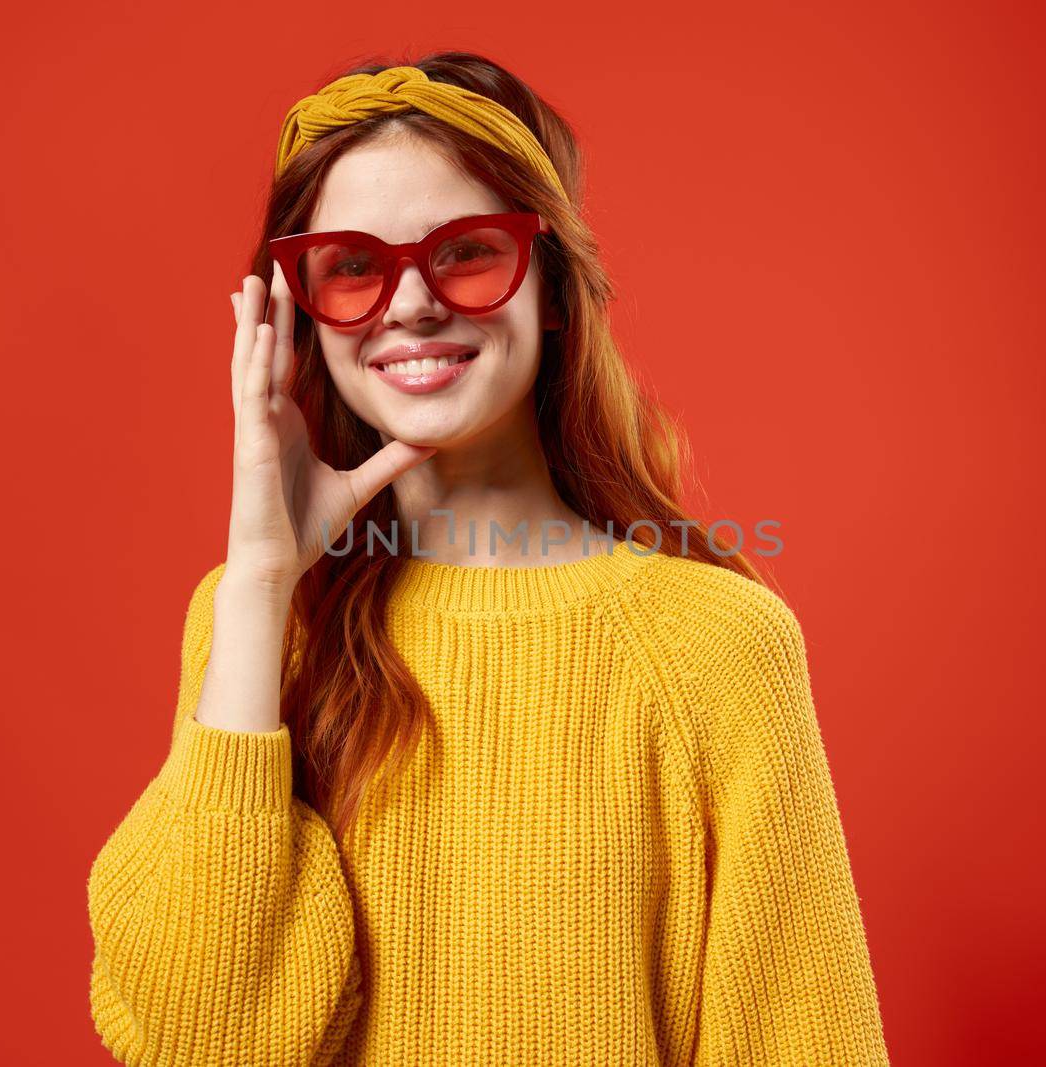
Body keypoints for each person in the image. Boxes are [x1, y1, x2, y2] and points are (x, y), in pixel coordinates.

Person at [86, 51, 890, 1066]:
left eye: (465, 251)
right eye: (352, 266)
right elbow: (201, 1037)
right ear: (301, 315)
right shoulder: (255, 619)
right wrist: (257, 580)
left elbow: (797, 1039)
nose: (410, 303)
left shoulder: (714, 646)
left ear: (551, 288)